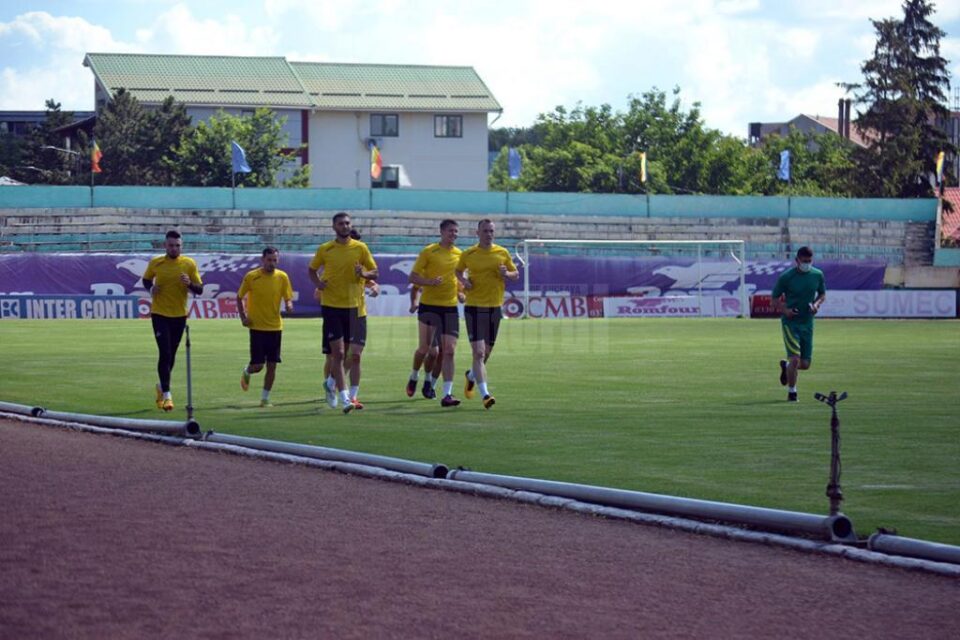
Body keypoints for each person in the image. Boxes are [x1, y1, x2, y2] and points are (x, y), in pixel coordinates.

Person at [308, 212, 378, 414]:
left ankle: (331, 383)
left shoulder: (360, 248)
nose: (345, 226)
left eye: (347, 223)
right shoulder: (326, 249)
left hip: (355, 308)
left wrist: (363, 274)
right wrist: (318, 284)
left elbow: (375, 271)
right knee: (337, 354)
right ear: (334, 227)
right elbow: (311, 269)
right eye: (341, 223)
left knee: (351, 354)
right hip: (332, 307)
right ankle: (346, 398)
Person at [456, 219, 519, 409]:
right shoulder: (469, 254)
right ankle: (485, 395)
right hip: (474, 307)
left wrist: (505, 274)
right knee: (479, 352)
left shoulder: (502, 252)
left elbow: (515, 274)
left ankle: (471, 376)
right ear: (477, 233)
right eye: (485, 231)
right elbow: (457, 271)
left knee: (486, 354)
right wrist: (464, 282)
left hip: (494, 308)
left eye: (491, 231)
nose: (488, 234)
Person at [141, 230, 203, 412]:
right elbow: (145, 280)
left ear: (181, 246)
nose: (174, 248)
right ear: (165, 246)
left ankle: (161, 386)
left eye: (177, 245)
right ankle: (167, 395)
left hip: (179, 315)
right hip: (160, 314)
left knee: (172, 355)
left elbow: (199, 289)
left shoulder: (189, 264)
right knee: (165, 353)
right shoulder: (156, 263)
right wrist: (151, 288)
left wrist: (189, 284)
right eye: (171, 245)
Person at [408, 219, 463, 407]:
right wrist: (430, 282)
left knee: (447, 351)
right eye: (450, 231)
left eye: (456, 231)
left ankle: (433, 385)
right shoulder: (429, 252)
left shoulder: (459, 254)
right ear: (441, 232)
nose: (453, 234)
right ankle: (414, 376)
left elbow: (459, 281)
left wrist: (461, 293)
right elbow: (413, 277)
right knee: (426, 351)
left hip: (450, 308)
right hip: (429, 306)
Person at [237, 247, 294, 407]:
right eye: (269, 260)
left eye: (274, 260)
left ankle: (265, 399)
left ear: (278, 260)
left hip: (275, 327)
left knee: (272, 365)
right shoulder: (252, 277)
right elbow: (239, 296)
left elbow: (288, 297)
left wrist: (289, 305)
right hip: (257, 327)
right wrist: (243, 317)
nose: (272, 263)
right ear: (263, 260)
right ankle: (248, 370)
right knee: (258, 366)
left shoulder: (282, 277)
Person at [772, 246, 826, 403]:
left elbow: (822, 294)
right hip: (791, 324)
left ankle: (787, 366)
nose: (807, 264)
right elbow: (774, 300)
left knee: (805, 364)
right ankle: (792, 393)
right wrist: (785, 310)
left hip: (807, 323)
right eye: (804, 261)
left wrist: (816, 305)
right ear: (797, 261)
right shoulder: (786, 277)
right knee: (795, 360)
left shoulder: (817, 275)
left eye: (809, 261)